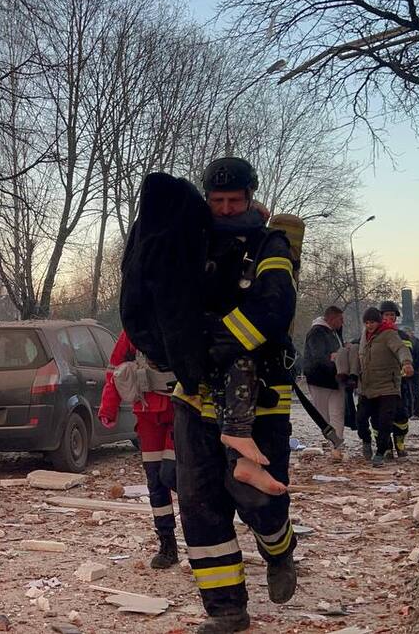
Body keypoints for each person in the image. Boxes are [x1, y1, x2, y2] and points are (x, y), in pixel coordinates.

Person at [171, 157, 301, 632]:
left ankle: (280, 548)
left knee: (254, 496)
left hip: (261, 394)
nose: (225, 210)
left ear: (250, 197)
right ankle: (226, 609)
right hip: (194, 394)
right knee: (200, 504)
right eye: (217, 201)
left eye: (234, 201)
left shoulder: (270, 243)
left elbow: (276, 303)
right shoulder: (193, 243)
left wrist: (221, 341)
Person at [98, 330, 179, 569]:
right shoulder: (135, 326)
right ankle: (167, 544)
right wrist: (108, 408)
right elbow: (115, 368)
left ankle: (202, 537)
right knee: (156, 481)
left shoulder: (182, 313)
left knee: (175, 475)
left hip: (183, 409)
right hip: (147, 410)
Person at [356, 307, 414, 467]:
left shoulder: (389, 334)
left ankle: (381, 452)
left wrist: (407, 363)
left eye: (372, 322)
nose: (369, 325)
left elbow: (401, 349)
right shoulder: (364, 336)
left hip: (388, 387)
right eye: (366, 323)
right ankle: (366, 441)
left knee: (384, 421)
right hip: (367, 387)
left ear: (378, 321)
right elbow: (358, 354)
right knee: (360, 418)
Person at [302, 306, 346, 461]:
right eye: (341, 319)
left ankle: (336, 445)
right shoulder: (317, 332)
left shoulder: (334, 333)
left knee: (337, 413)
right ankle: (334, 442)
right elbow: (318, 357)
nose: (343, 322)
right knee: (325, 416)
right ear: (332, 319)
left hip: (333, 380)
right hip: (320, 380)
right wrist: (334, 359)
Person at [378, 302, 412, 457]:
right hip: (380, 383)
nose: (390, 318)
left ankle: (399, 442)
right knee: (380, 417)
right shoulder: (373, 334)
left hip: (399, 383)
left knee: (401, 416)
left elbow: (412, 355)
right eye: (387, 315)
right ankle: (385, 446)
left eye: (392, 315)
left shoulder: (403, 336)